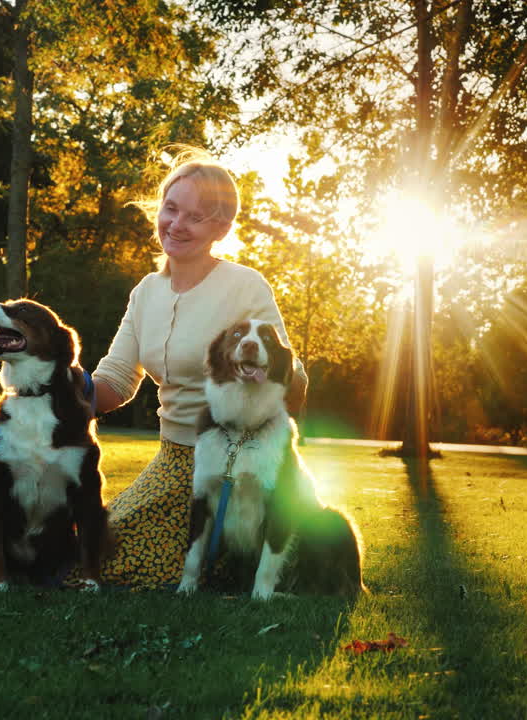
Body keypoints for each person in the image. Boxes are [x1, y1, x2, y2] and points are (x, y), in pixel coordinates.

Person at [89, 147, 307, 588]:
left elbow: (289, 373)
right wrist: (54, 388)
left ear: (222, 228)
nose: (177, 224)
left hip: (236, 464)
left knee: (130, 572)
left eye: (196, 216)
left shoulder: (245, 286)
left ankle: (232, 561)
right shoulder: (145, 292)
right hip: (170, 461)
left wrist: (269, 454)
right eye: (171, 208)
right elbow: (114, 382)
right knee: (92, 553)